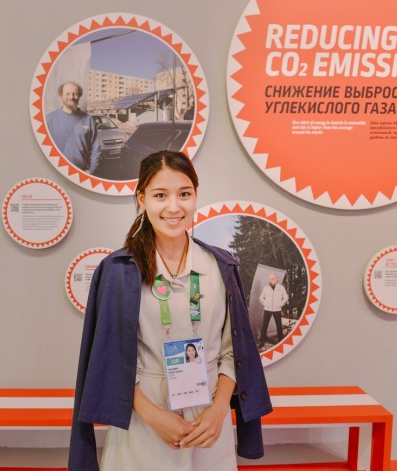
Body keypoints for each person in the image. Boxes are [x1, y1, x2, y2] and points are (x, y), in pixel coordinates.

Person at [69, 151, 271, 471]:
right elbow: (108, 360)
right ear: (142, 199)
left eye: (184, 194)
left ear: (195, 196)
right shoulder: (118, 271)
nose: (174, 207)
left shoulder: (220, 266)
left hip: (208, 420)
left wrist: (219, 410)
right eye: (160, 195)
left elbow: (233, 351)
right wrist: (153, 417)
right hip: (143, 419)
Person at [45, 81, 101, 174]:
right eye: (67, 94)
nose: (71, 97)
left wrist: (92, 170)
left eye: (75, 94)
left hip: (81, 172)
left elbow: (95, 147)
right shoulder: (49, 119)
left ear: (79, 96)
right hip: (55, 172)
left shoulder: (88, 119)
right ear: (61, 95)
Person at [258, 273, 289, 346]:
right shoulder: (266, 288)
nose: (272, 280)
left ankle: (280, 341)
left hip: (277, 310)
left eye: (274, 278)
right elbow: (261, 297)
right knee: (264, 326)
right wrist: (265, 303)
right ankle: (262, 341)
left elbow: (286, 297)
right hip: (267, 309)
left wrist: (281, 304)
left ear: (277, 279)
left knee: (279, 326)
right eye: (271, 279)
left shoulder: (281, 288)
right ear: (269, 280)